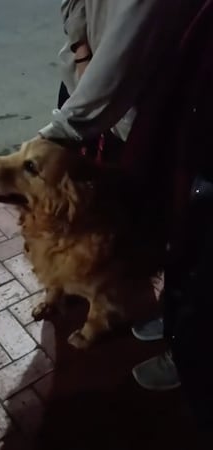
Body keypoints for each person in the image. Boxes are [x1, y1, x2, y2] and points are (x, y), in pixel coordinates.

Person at [39, 0, 197, 392]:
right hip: (87, 92)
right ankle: (171, 314)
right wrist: (81, 51)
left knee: (180, 222)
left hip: (138, 103)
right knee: (115, 211)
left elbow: (135, 30)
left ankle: (186, 339)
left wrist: (55, 138)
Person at [120, 0, 213, 434]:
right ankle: (173, 324)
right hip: (194, 152)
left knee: (202, 282)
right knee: (182, 242)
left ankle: (185, 349)